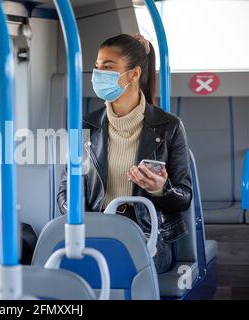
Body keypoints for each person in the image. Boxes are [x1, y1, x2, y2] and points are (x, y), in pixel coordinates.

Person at [57, 34, 192, 273]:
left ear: (134, 74)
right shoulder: (85, 128)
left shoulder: (169, 127)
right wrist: (87, 223)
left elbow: (184, 198)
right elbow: (65, 193)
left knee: (118, 266)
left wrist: (161, 188)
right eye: (97, 68)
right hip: (96, 231)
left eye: (108, 68)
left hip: (148, 235)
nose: (99, 75)